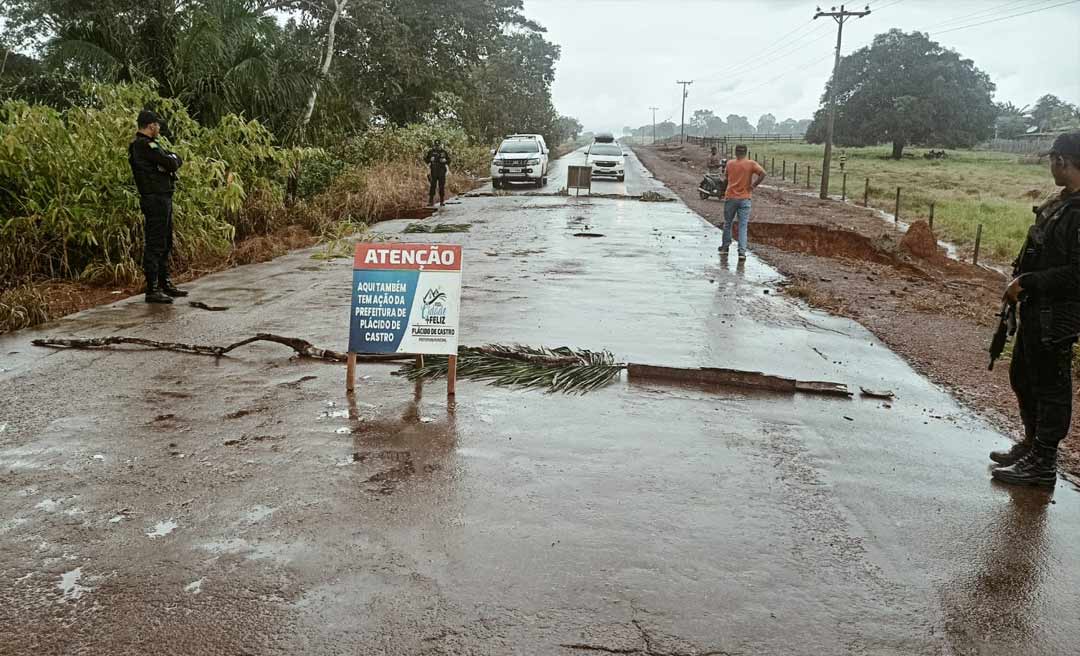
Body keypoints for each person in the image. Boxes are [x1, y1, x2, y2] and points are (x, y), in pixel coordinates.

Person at [991, 131, 1080, 487]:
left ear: (1063, 161)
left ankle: (1043, 463)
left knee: (1051, 387)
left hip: (1058, 314)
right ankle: (1031, 447)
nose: (1050, 166)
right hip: (1037, 309)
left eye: (1052, 160)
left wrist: (1028, 282)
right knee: (1023, 376)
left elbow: (1077, 273)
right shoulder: (1063, 203)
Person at [128, 109, 185, 304]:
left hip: (163, 197)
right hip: (154, 199)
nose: (159, 128)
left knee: (166, 240)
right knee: (155, 243)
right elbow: (169, 163)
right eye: (157, 125)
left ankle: (164, 282)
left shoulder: (152, 146)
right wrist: (169, 162)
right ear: (151, 125)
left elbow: (173, 160)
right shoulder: (142, 146)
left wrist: (171, 160)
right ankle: (152, 289)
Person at [719, 144, 766, 260]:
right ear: (746, 152)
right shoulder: (751, 164)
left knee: (728, 223)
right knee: (743, 226)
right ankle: (742, 252)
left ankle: (725, 248)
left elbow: (726, 178)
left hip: (731, 197)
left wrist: (722, 191)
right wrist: (753, 185)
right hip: (745, 198)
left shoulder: (730, 163)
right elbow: (763, 173)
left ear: (735, 152)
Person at [424, 140, 451, 207]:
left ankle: (442, 201)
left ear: (440, 145)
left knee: (441, 186)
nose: (437, 147)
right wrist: (430, 160)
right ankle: (431, 201)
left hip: (442, 171)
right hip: (433, 171)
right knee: (432, 186)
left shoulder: (444, 152)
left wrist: (445, 161)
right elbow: (426, 159)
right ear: (434, 145)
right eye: (436, 145)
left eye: (438, 145)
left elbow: (449, 160)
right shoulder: (431, 152)